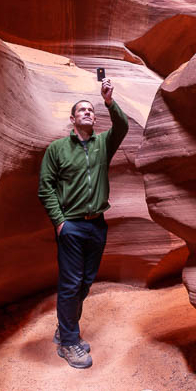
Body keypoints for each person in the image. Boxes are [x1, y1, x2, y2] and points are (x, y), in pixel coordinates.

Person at [38, 78, 128, 368]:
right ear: (73, 119)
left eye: (91, 110)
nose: (88, 113)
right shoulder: (58, 149)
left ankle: (65, 329)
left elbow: (123, 127)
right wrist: (60, 222)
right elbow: (46, 188)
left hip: (97, 224)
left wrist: (109, 101)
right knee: (71, 283)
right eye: (82, 110)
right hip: (72, 227)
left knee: (86, 282)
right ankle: (68, 342)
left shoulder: (103, 144)